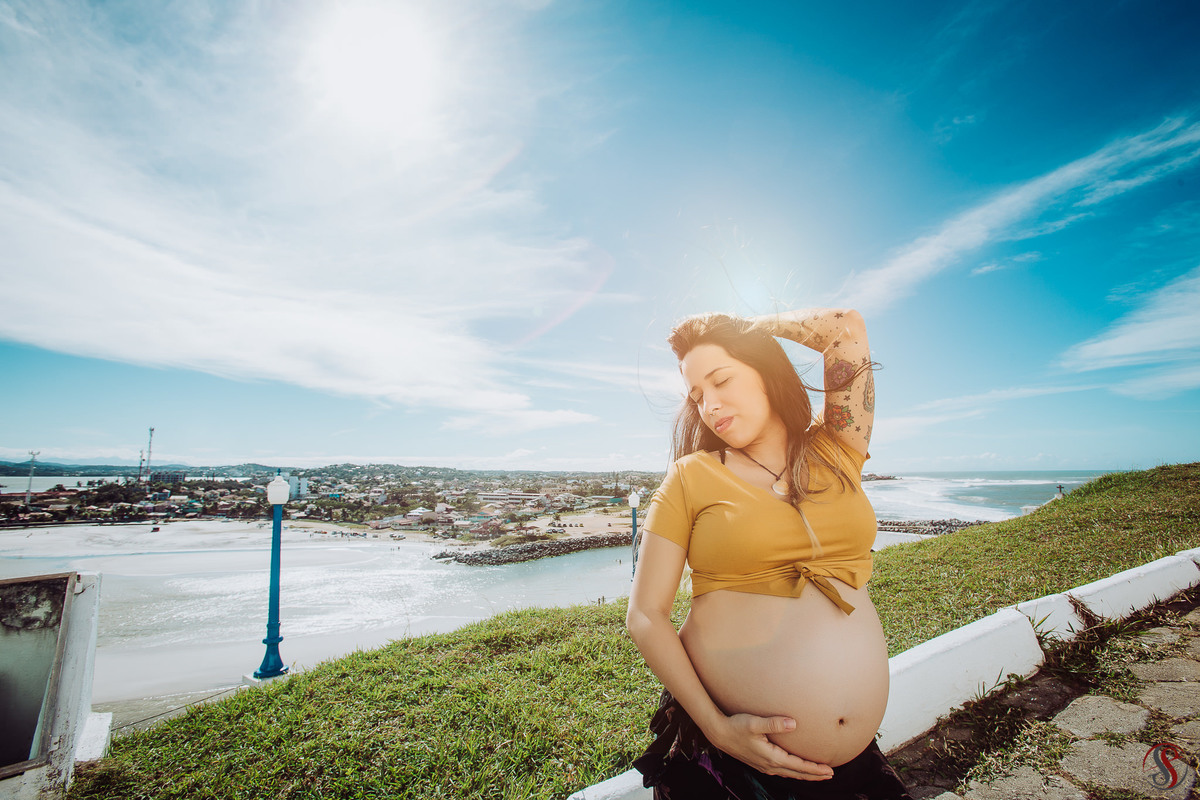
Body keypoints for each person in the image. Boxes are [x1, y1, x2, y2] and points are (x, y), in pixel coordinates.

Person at [626, 309, 912, 799]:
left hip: (850, 771)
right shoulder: (691, 477)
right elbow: (645, 615)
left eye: (721, 380)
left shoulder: (838, 448)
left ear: (764, 369)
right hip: (729, 766)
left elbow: (845, 329)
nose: (710, 405)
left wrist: (752, 328)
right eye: (697, 396)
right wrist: (718, 728)